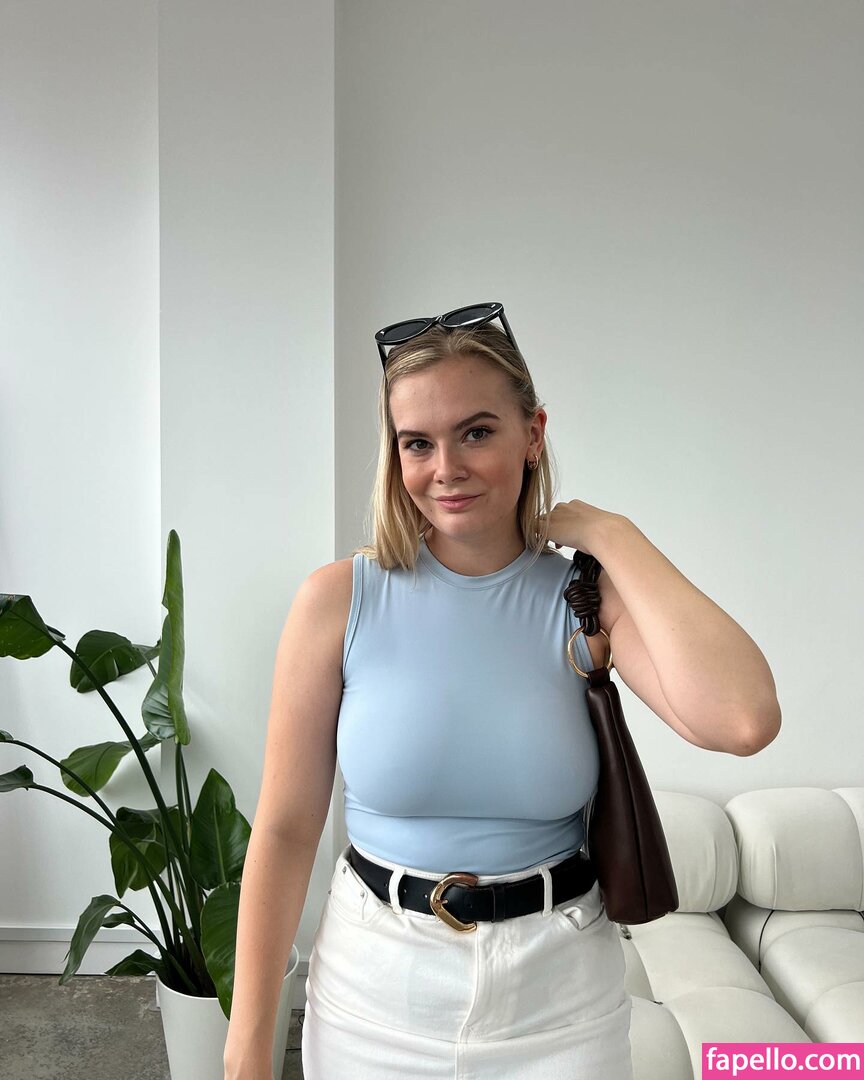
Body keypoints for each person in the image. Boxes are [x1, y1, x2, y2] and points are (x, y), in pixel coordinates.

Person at [223, 302, 782, 1080]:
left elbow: (744, 719)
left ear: (533, 434)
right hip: (373, 993)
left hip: (559, 998)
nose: (445, 468)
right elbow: (285, 832)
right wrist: (246, 1050)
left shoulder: (585, 603)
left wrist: (612, 535)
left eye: (477, 432)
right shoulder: (337, 601)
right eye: (418, 443)